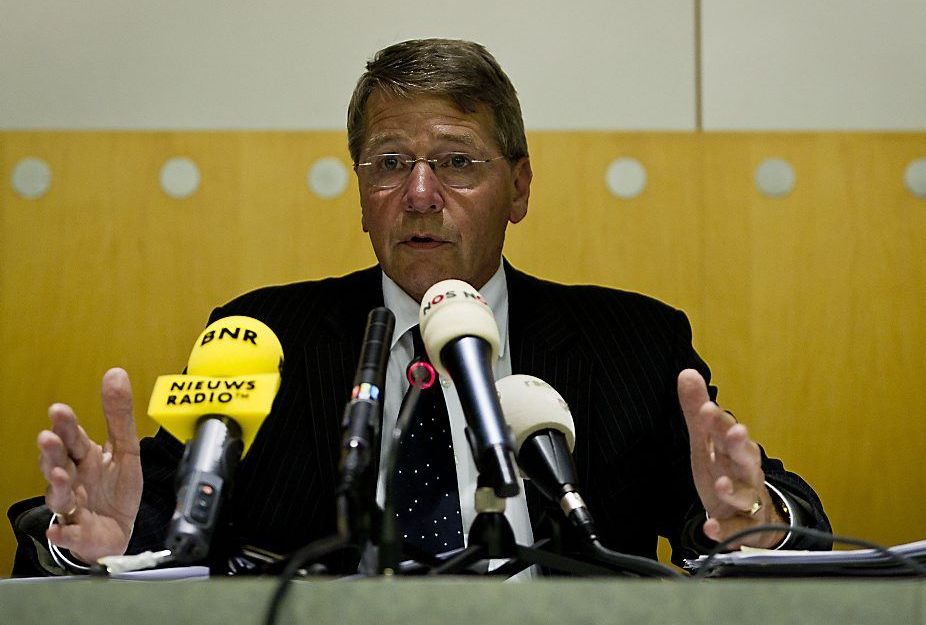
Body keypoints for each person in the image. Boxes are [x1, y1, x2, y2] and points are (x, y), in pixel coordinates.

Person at [14, 38, 830, 576]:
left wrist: (758, 518)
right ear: (361, 193)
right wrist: (101, 546)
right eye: (390, 162)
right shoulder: (267, 338)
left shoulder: (630, 343)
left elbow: (739, 506)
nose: (420, 194)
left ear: (520, 187)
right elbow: (157, 510)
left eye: (457, 162)